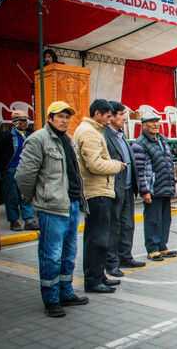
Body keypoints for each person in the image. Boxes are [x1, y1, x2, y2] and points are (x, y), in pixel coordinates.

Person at [15, 101, 89, 317]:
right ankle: (51, 299)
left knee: (68, 253)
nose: (65, 120)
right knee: (51, 256)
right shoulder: (38, 139)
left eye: (67, 116)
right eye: (60, 116)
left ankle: (66, 293)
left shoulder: (68, 139)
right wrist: (36, 199)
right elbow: (23, 176)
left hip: (72, 205)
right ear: (49, 118)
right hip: (52, 209)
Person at [74, 99, 126, 294]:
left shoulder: (94, 130)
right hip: (95, 192)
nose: (110, 120)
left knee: (100, 237)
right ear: (97, 114)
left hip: (100, 190)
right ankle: (93, 280)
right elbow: (94, 164)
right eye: (108, 116)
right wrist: (116, 165)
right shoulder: (89, 132)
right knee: (97, 238)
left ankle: (98, 274)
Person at [103, 101, 144, 278]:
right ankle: (111, 263)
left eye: (123, 114)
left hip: (128, 188)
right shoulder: (105, 136)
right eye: (120, 114)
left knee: (128, 225)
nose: (123, 118)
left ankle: (125, 256)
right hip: (114, 188)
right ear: (110, 116)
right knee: (114, 227)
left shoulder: (121, 135)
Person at [132, 112, 177, 261]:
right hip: (153, 188)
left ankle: (162, 245)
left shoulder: (163, 140)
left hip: (165, 186)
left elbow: (170, 162)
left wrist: (173, 181)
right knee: (152, 219)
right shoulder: (140, 144)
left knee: (165, 218)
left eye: (157, 121)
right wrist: (144, 190)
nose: (155, 124)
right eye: (151, 122)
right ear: (143, 126)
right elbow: (139, 170)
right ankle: (152, 248)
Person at [0, 110, 38, 231]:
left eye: (26, 120)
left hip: (25, 169)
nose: (25, 122)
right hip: (11, 169)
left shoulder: (30, 134)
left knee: (25, 195)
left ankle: (28, 220)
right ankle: (14, 221)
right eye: (22, 120)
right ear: (15, 122)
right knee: (12, 196)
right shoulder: (6, 136)